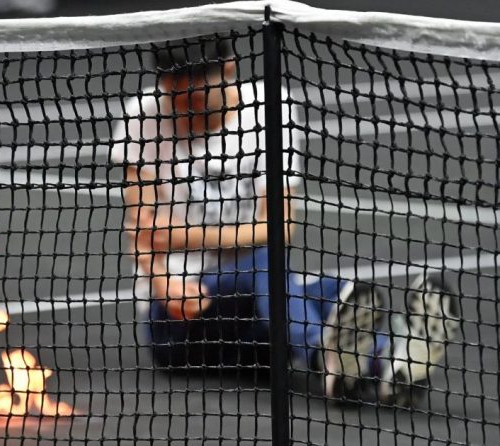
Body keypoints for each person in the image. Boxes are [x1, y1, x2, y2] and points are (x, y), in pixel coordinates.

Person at [110, 38, 461, 404]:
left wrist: (180, 236)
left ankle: (387, 367)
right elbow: (143, 229)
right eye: (174, 97)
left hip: (257, 320)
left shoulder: (267, 109)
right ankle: (350, 358)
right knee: (273, 265)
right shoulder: (146, 114)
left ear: (228, 68)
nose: (182, 108)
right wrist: (164, 283)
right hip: (178, 326)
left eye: (194, 98)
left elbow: (277, 227)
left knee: (330, 291)